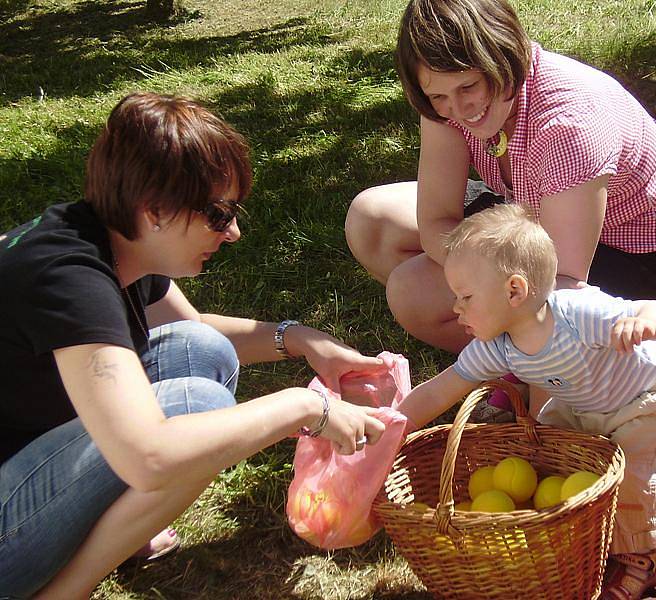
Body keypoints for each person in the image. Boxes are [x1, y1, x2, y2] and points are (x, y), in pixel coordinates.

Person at [0, 92, 388, 599]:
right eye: (218, 213)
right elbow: (149, 458)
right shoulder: (69, 281)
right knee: (195, 410)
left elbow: (197, 331)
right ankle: (63, 590)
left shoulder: (106, 236)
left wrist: (302, 340)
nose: (233, 232)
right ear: (155, 209)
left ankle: (112, 529)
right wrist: (302, 406)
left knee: (199, 351)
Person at [345, 0, 656, 352]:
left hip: (635, 256)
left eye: (468, 87)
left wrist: (479, 282)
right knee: (371, 220)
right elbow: (436, 219)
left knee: (412, 292)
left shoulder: (569, 121)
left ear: (503, 54)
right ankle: (509, 348)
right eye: (438, 95)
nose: (457, 109)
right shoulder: (448, 104)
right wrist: (477, 279)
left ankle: (529, 369)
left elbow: (561, 281)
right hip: (531, 211)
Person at [396, 203, 656, 600]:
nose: (456, 308)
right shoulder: (496, 347)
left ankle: (643, 556)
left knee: (636, 481)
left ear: (514, 290)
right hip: (588, 401)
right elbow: (440, 389)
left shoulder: (576, 314)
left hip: (649, 396)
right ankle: (585, 523)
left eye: (465, 296)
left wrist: (644, 323)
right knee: (547, 436)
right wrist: (389, 427)